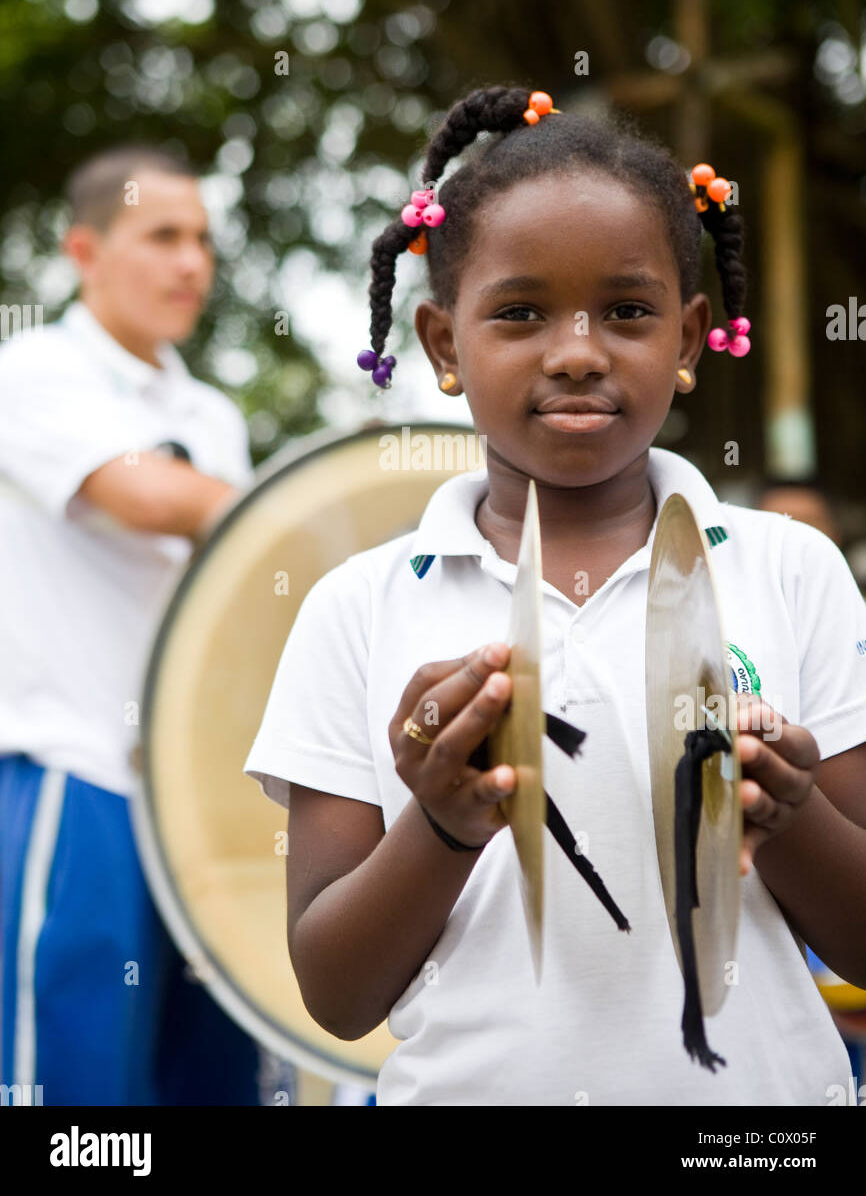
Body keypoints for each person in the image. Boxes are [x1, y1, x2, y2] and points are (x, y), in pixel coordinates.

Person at [244, 86, 866, 1106]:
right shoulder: (358, 609)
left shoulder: (786, 570)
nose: (576, 351)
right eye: (520, 312)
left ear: (686, 338)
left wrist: (784, 811)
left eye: (625, 311)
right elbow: (335, 989)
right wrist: (441, 822)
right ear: (444, 345)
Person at [0, 144, 261, 1105]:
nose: (192, 262)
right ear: (84, 250)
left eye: (201, 239)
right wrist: (309, 511)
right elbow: (143, 496)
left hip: (196, 807)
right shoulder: (31, 367)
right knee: (76, 1096)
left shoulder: (211, 415)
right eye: (162, 237)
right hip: (75, 781)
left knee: (211, 1081)